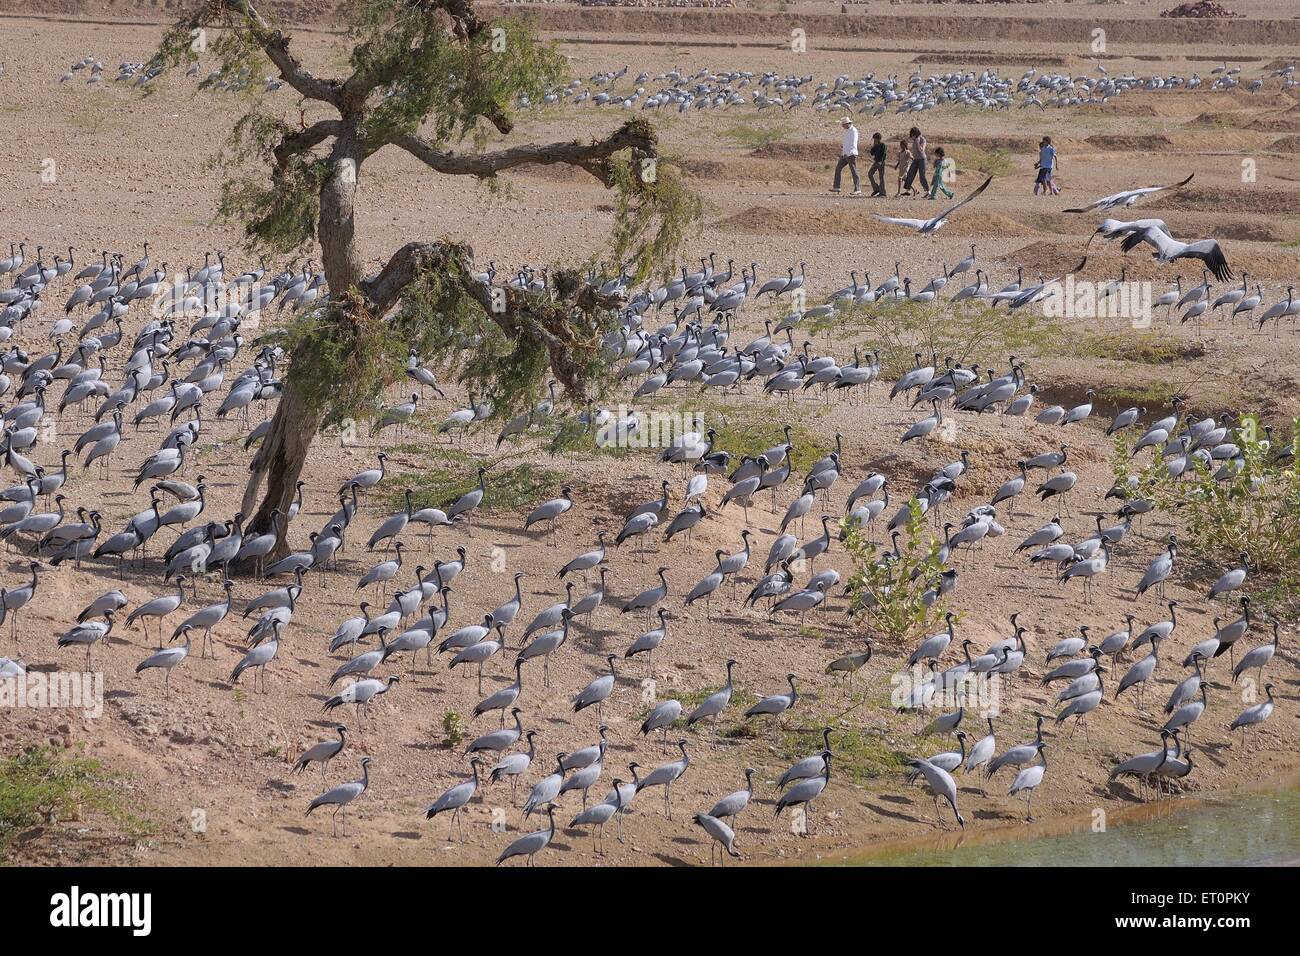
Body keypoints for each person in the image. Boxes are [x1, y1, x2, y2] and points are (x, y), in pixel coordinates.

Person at [831, 116, 861, 195]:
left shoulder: (853, 131)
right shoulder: (847, 131)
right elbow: (846, 144)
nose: (842, 126)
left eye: (843, 125)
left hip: (851, 154)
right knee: (838, 168)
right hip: (845, 154)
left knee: (853, 171)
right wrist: (843, 153)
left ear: (847, 124)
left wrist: (848, 153)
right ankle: (837, 187)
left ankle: (857, 189)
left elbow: (853, 143)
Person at [903, 126, 929, 196]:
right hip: (915, 160)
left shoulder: (922, 139)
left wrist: (917, 142)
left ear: (916, 134)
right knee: (910, 174)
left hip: (922, 159)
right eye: (911, 136)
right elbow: (914, 151)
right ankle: (907, 191)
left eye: (913, 135)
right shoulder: (914, 141)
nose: (912, 137)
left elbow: (921, 150)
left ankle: (927, 191)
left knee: (922, 176)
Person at [867, 131, 887, 197]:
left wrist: (881, 161)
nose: (874, 140)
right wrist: (874, 146)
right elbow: (872, 153)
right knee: (870, 174)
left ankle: (883, 193)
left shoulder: (882, 145)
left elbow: (884, 153)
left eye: (875, 138)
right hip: (876, 162)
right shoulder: (876, 145)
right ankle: (876, 189)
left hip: (881, 163)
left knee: (881, 177)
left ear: (878, 138)